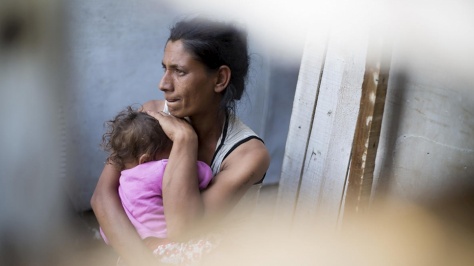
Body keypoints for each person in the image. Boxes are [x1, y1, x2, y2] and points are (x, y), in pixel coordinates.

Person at [91, 16, 270, 266]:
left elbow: (182, 229)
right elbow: (102, 196)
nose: (163, 84)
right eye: (164, 68)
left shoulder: (247, 154)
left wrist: (185, 140)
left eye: (180, 72)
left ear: (219, 79)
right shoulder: (151, 116)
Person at [98, 106, 213, 249]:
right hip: (169, 245)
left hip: (140, 249)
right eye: (170, 151)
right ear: (145, 160)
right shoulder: (160, 168)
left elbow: (106, 233)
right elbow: (205, 174)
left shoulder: (122, 181)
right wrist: (183, 146)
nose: (172, 156)